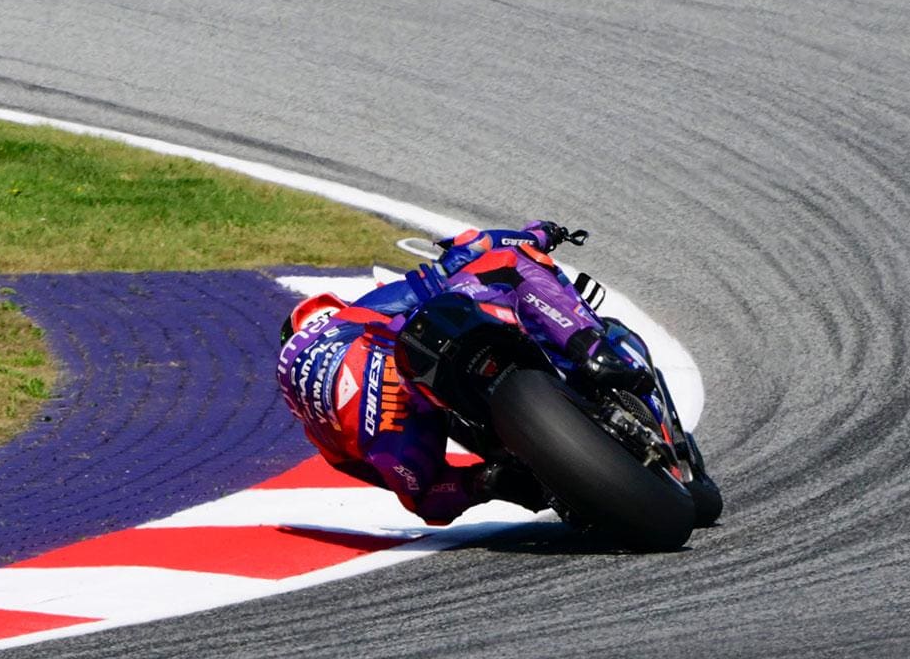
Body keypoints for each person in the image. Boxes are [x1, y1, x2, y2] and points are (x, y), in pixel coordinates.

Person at [274, 220, 657, 525]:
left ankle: (503, 477)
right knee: (505, 262)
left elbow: (419, 500)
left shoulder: (320, 434)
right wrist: (540, 233)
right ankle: (591, 348)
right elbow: (463, 256)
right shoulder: (347, 320)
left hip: (389, 436)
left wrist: (483, 484)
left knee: (442, 489)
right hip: (403, 384)